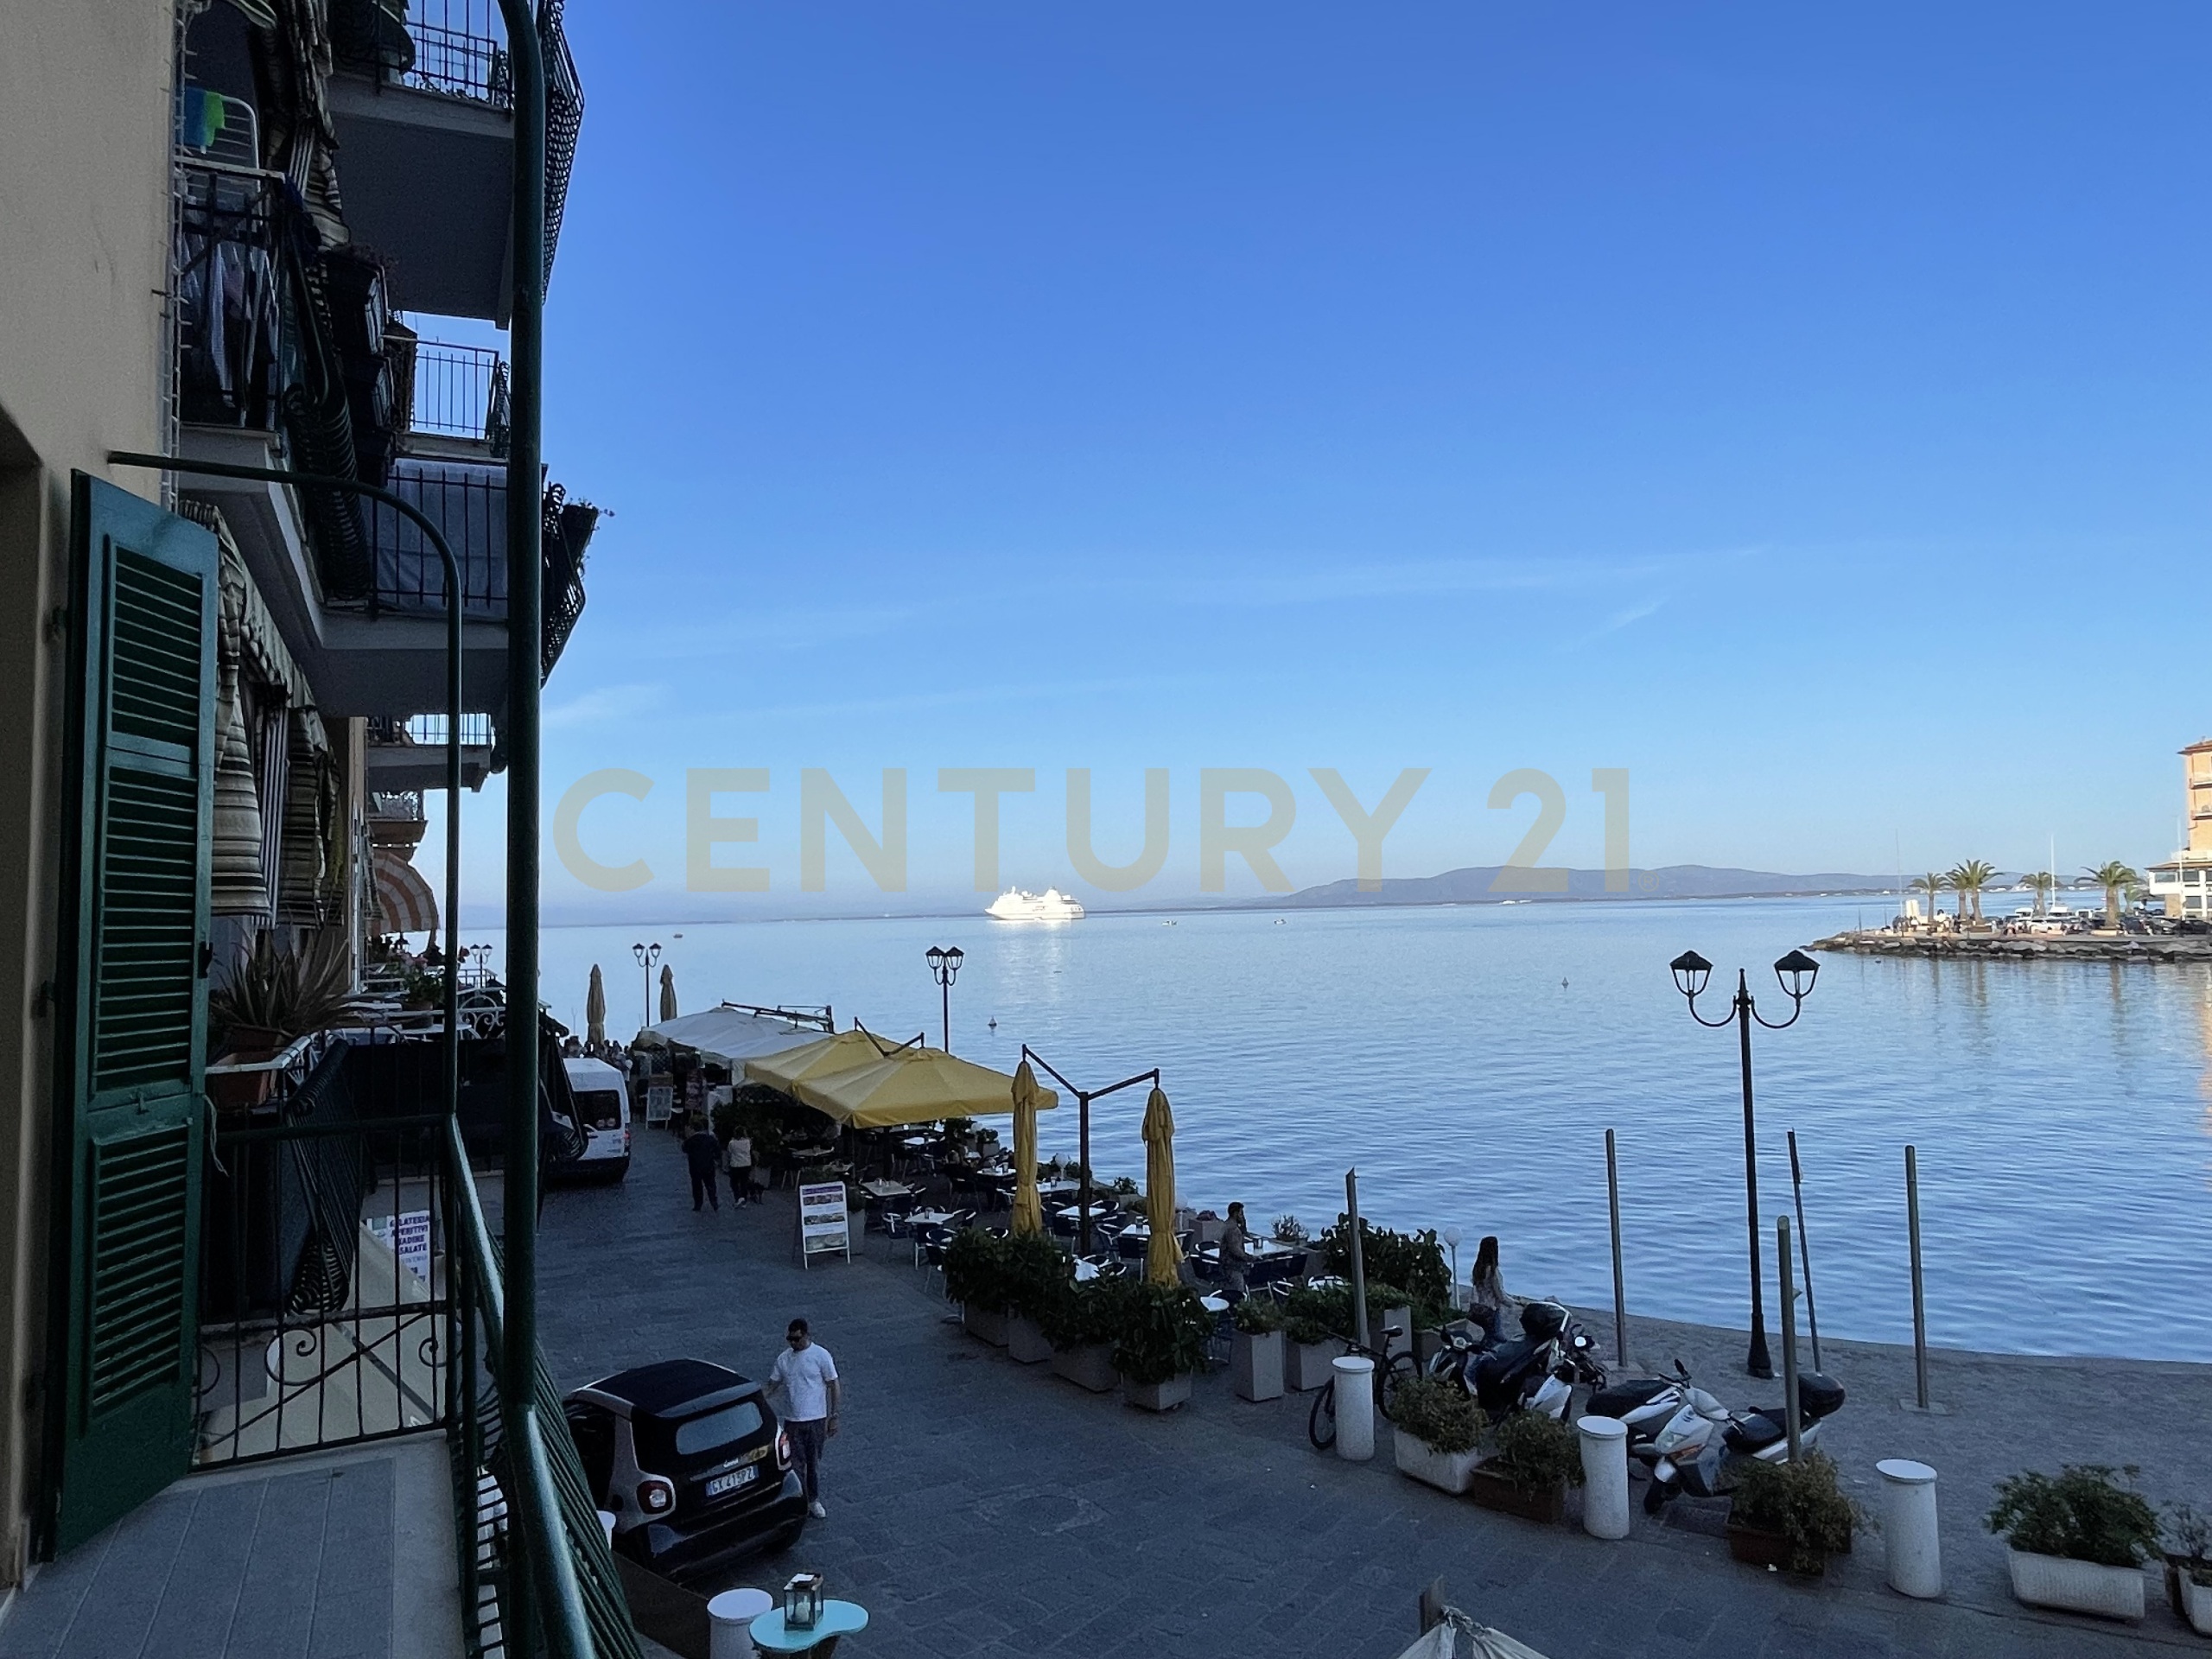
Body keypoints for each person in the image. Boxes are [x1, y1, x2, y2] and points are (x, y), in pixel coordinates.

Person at [769, 1318, 839, 1519]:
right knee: (795, 1464)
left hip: (816, 1419)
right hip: (793, 1421)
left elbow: (834, 1384)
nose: (793, 1343)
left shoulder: (820, 1355)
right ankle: (802, 1501)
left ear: (806, 1335)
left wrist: (834, 1415)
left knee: (812, 1463)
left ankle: (813, 1500)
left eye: (796, 1339)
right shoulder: (784, 1359)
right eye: (790, 1339)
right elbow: (772, 1385)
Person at [1468, 1235, 1514, 1343]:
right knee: (1498, 1337)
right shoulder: (1493, 1271)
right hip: (1491, 1309)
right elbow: (1500, 1294)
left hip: (1479, 1308)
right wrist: (1512, 1303)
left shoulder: (1478, 1268)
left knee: (1489, 1335)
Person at [681, 1116, 721, 1212]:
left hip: (695, 1167)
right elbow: (717, 1151)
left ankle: (698, 1204)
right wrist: (716, 1159)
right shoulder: (710, 1139)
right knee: (710, 1184)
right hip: (708, 1166)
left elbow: (684, 1148)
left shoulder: (691, 1140)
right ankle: (713, 1201)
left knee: (697, 1186)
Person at [1217, 1201, 1255, 1300]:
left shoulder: (1228, 1225)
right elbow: (1235, 1250)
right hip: (1232, 1265)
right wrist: (1248, 1257)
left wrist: (1243, 1225)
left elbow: (1244, 1234)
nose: (1242, 1216)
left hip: (1226, 1262)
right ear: (1235, 1214)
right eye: (1241, 1213)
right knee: (1238, 1290)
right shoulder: (1233, 1229)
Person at [725, 1129, 753, 1207]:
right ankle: (744, 1199)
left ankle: (737, 1198)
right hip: (746, 1164)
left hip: (735, 1165)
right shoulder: (748, 1142)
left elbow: (729, 1152)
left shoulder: (732, 1143)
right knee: (744, 1182)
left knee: (734, 1183)